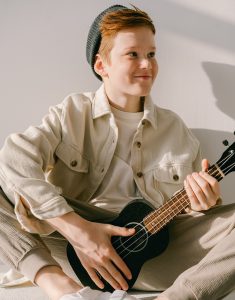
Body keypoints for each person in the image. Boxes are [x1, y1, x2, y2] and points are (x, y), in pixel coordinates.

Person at [0, 4, 234, 300]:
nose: (147, 65)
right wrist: (79, 232)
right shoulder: (71, 113)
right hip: (74, 254)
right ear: (101, 65)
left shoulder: (175, 129)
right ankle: (62, 289)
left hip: (154, 254)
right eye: (132, 54)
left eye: (151, 54)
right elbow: (13, 159)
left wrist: (204, 202)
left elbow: (186, 214)